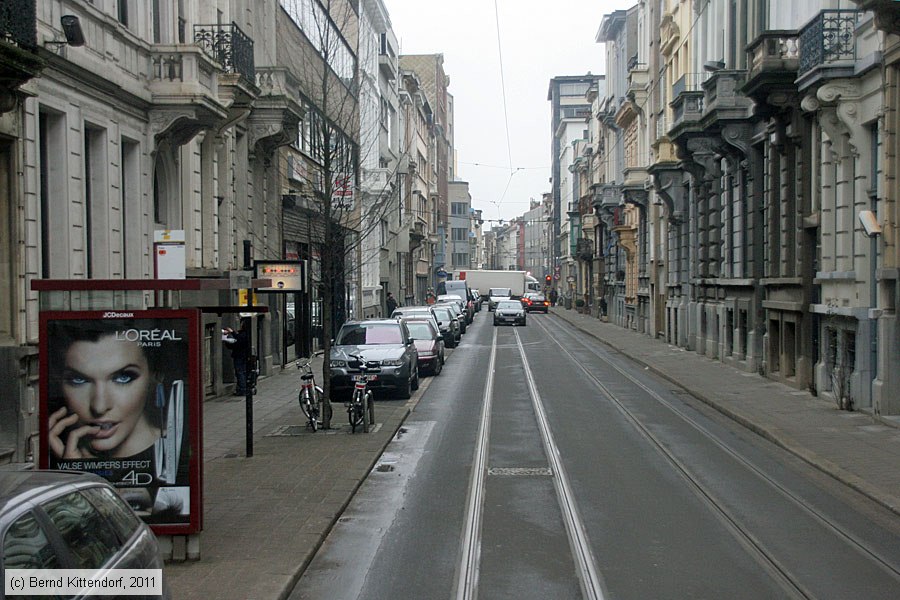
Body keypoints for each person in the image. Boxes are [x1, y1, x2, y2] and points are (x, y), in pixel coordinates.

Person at [46, 318, 189, 521]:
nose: (99, 406)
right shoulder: (62, 455)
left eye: (123, 377)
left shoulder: (179, 455)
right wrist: (72, 474)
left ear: (154, 376)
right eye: (79, 380)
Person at [223, 318, 251, 395]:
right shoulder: (244, 333)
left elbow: (240, 340)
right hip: (242, 355)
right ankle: (242, 388)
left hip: (240, 355)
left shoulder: (244, 334)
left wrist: (232, 332)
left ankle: (242, 389)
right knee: (242, 371)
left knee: (240, 372)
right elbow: (237, 342)